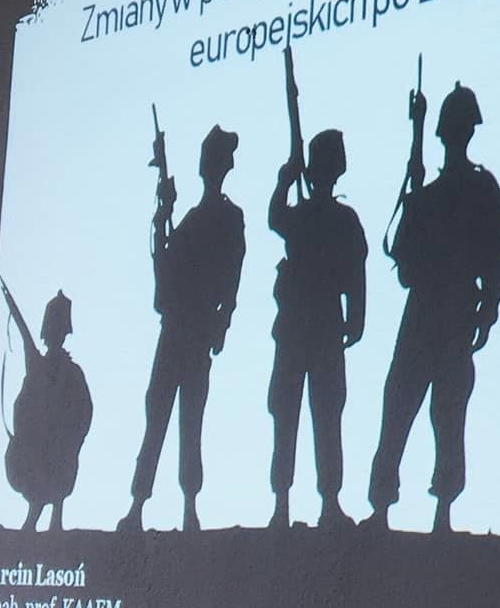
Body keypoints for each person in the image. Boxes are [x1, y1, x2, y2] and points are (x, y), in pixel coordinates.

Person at [367, 84, 500, 533]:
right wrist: (412, 190)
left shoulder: (471, 190)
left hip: (446, 311)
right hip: (435, 311)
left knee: (441, 413)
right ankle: (396, 507)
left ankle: (428, 509)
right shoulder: (441, 192)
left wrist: (488, 311)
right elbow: (406, 264)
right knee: (405, 407)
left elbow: (495, 259)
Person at [127, 125, 245, 531]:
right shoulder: (194, 220)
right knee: (158, 413)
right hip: (178, 327)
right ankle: (139, 503)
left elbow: (232, 277)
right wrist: (163, 218)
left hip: (194, 330)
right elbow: (166, 275)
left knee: (189, 420)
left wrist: (222, 323)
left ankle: (188, 506)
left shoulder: (227, 218)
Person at [268, 129, 367, 527]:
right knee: (291, 414)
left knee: (323, 414)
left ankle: (324, 502)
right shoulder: (315, 216)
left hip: (319, 327)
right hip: (302, 327)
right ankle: (286, 503)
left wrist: (355, 319)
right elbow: (276, 218)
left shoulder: (335, 218)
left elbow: (356, 273)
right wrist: (285, 178)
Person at [4, 290, 93, 532]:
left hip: (61, 444)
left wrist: (70, 432)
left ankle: (55, 520)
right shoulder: (38, 369)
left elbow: (85, 408)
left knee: (57, 477)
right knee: (38, 480)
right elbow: (23, 404)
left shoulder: (72, 373)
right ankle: (34, 519)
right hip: (39, 444)